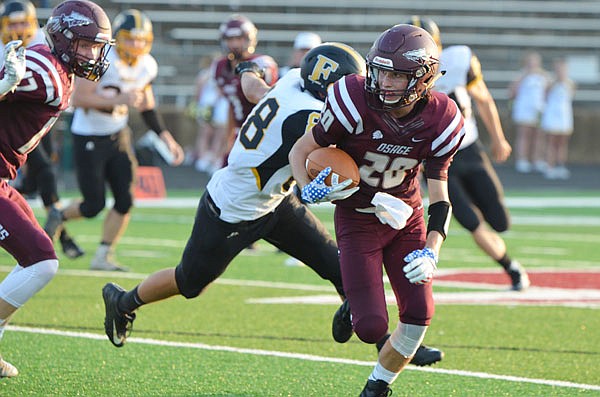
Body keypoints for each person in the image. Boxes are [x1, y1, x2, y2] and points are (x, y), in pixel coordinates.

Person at [100, 42, 364, 350]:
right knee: (189, 282)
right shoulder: (310, 116)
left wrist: (247, 70)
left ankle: (378, 335)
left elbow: (255, 90)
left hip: (275, 203)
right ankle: (122, 302)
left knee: (339, 266)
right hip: (232, 211)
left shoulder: (294, 80)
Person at [289, 24, 465, 396]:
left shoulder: (442, 119)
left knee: (419, 314)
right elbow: (300, 151)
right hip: (357, 219)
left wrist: (432, 250)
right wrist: (307, 190)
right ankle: (355, 303)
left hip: (406, 219)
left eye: (396, 75)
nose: (383, 81)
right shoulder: (352, 100)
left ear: (423, 78)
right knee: (369, 326)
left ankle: (378, 386)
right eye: (380, 70)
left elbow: (441, 196)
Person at [0, 0, 114, 377]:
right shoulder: (46, 69)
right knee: (41, 261)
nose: (94, 55)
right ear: (66, 40)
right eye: (88, 45)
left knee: (35, 252)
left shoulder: (55, 66)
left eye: (97, 47)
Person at [44, 9, 185, 272]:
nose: (136, 45)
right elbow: (79, 99)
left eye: (141, 39)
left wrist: (166, 137)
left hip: (118, 134)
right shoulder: (101, 57)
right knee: (93, 205)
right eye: (131, 38)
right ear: (118, 38)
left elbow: (147, 106)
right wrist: (118, 100)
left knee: (125, 200)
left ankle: (103, 255)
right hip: (89, 135)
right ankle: (59, 215)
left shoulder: (147, 65)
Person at [408, 16, 530, 291]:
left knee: (500, 221)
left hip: (469, 150)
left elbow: (483, 98)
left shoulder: (458, 59)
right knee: (471, 223)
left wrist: (498, 138)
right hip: (436, 161)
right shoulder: (400, 76)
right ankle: (512, 268)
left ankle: (509, 264)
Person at [1, 0, 84, 259]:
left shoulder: (45, 43)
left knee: (41, 176)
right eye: (11, 23)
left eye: (23, 22)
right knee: (44, 173)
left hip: (34, 119)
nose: (18, 29)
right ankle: (60, 231)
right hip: (11, 123)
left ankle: (50, 228)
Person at [213, 14, 278, 163]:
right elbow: (231, 104)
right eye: (231, 39)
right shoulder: (220, 67)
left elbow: (268, 98)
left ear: (249, 39)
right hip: (240, 134)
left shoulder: (262, 63)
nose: (235, 44)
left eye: (239, 38)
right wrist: (227, 141)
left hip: (264, 133)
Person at [509, 51, 549, 174]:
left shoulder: (544, 76)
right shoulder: (521, 75)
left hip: (538, 110)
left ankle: (537, 160)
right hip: (524, 110)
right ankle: (522, 160)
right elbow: (512, 92)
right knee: (524, 135)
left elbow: (549, 92)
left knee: (539, 136)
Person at [190, 54, 230, 175]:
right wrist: (198, 106)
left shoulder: (223, 75)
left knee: (220, 133)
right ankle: (202, 157)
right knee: (205, 132)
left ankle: (215, 157)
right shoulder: (206, 74)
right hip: (206, 106)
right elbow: (199, 89)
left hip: (218, 106)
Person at [541, 57, 575, 180]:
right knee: (551, 142)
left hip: (564, 116)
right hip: (552, 115)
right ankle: (549, 166)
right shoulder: (550, 82)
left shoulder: (569, 83)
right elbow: (544, 95)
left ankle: (560, 165)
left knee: (562, 143)